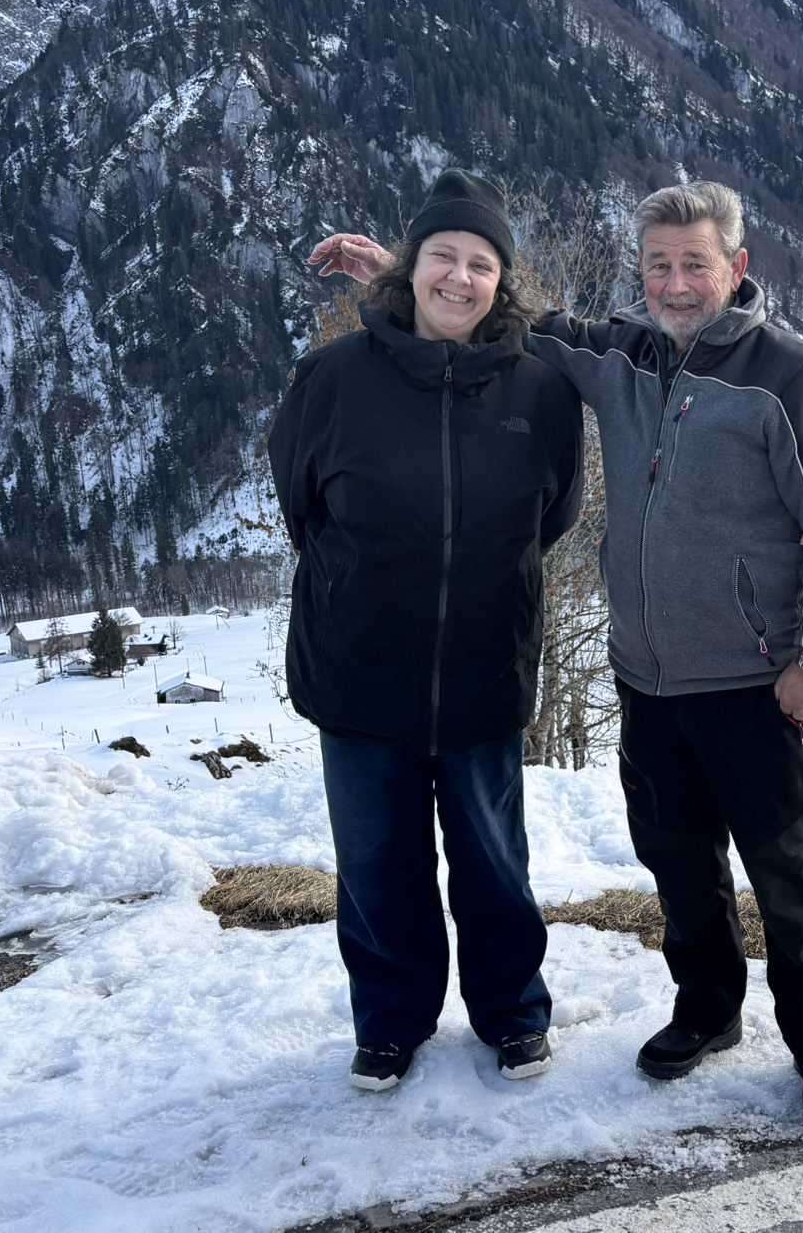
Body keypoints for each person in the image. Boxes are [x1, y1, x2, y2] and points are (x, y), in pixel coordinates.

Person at [308, 180, 803, 1110]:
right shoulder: (618, 353)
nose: (676, 283)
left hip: (756, 681)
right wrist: (397, 273)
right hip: (648, 680)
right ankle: (708, 1008)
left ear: (737, 266)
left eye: (695, 263)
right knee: (679, 865)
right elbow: (493, 316)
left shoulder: (790, 375)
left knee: (787, 868)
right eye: (659, 264)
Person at [275, 170, 582, 1092]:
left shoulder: (541, 388)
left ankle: (512, 1012)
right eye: (443, 255)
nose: (459, 276)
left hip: (485, 666)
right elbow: (302, 503)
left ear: (502, 282)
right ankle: (391, 1019)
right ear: (409, 267)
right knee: (377, 863)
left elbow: (554, 512)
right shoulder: (333, 378)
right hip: (361, 671)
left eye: (480, 263)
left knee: (494, 861)